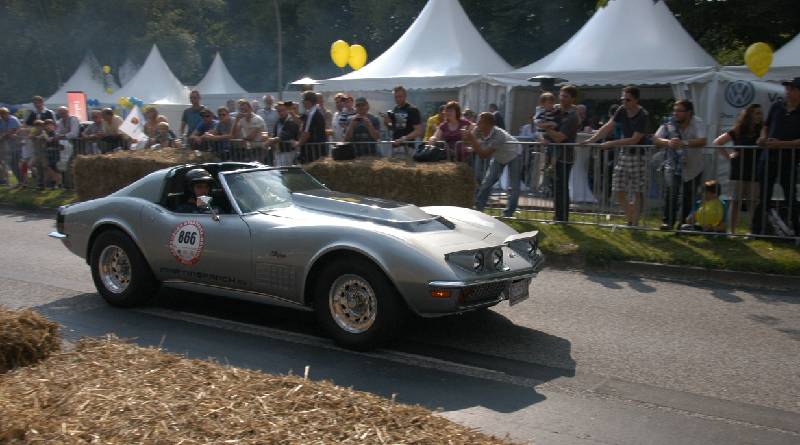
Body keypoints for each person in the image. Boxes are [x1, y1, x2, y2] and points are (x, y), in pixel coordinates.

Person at [584, 86, 648, 226]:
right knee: (617, 189)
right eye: (622, 99)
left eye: (628, 99)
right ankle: (632, 216)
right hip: (624, 154)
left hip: (638, 155)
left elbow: (634, 139)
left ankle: (633, 222)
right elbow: (608, 126)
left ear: (636, 100)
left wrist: (612, 143)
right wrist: (591, 139)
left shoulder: (643, 115)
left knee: (637, 190)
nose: (624, 102)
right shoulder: (621, 110)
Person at [751, 77, 800, 236]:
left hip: (789, 160)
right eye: (787, 88)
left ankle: (797, 232)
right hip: (768, 158)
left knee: (790, 196)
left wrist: (781, 144)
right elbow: (765, 126)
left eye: (792, 89)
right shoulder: (776, 106)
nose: (788, 91)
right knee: (763, 195)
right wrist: (762, 137)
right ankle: (756, 231)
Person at [653, 99, 707, 230]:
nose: (675, 113)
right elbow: (656, 139)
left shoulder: (697, 122)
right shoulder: (669, 122)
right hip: (673, 164)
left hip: (694, 165)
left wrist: (684, 143)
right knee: (672, 191)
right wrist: (668, 142)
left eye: (679, 111)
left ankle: (683, 224)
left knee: (689, 194)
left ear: (689, 113)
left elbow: (703, 140)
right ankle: (667, 222)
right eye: (674, 110)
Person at [714, 104, 763, 233]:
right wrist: (729, 156)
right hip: (738, 170)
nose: (760, 116)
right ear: (749, 115)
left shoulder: (762, 129)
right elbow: (718, 142)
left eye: (760, 113)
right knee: (735, 201)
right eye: (757, 113)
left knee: (752, 202)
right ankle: (732, 231)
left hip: (755, 170)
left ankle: (752, 231)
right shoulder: (738, 129)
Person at [467, 112, 524, 217]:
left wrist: (472, 140)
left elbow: (483, 154)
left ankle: (508, 213)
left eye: (480, 121)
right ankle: (479, 209)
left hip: (514, 154)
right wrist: (468, 136)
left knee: (514, 185)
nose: (477, 123)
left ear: (489, 125)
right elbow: (468, 141)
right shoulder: (478, 130)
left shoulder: (499, 135)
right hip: (499, 157)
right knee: (487, 183)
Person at [543, 85, 580, 222]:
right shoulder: (556, 112)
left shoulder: (572, 117)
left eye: (566, 96)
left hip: (565, 156)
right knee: (556, 187)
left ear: (573, 99)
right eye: (561, 95)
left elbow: (560, 137)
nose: (562, 98)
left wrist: (546, 129)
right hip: (553, 155)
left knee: (562, 188)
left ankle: (562, 218)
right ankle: (558, 216)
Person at [267, 101, 301, 167]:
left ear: (287, 110)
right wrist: (271, 139)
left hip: (289, 152)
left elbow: (286, 135)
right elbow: (275, 134)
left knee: (286, 172)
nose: (281, 112)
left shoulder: (291, 120)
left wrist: (272, 140)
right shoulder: (278, 121)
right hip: (279, 152)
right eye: (279, 111)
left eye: (283, 110)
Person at [297, 91, 327, 163]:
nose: (302, 102)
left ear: (308, 101)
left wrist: (298, 144)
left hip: (313, 151)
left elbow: (306, 133)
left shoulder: (311, 114)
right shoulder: (313, 111)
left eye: (303, 100)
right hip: (317, 150)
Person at [0, 107, 21, 185]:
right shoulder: (1, 121)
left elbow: (10, 132)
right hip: (7, 146)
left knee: (16, 164)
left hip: (17, 145)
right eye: (1, 115)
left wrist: (2, 136)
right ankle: (15, 181)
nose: (2, 116)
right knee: (10, 164)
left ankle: (21, 181)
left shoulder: (13, 119)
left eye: (3, 114)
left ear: (8, 113)